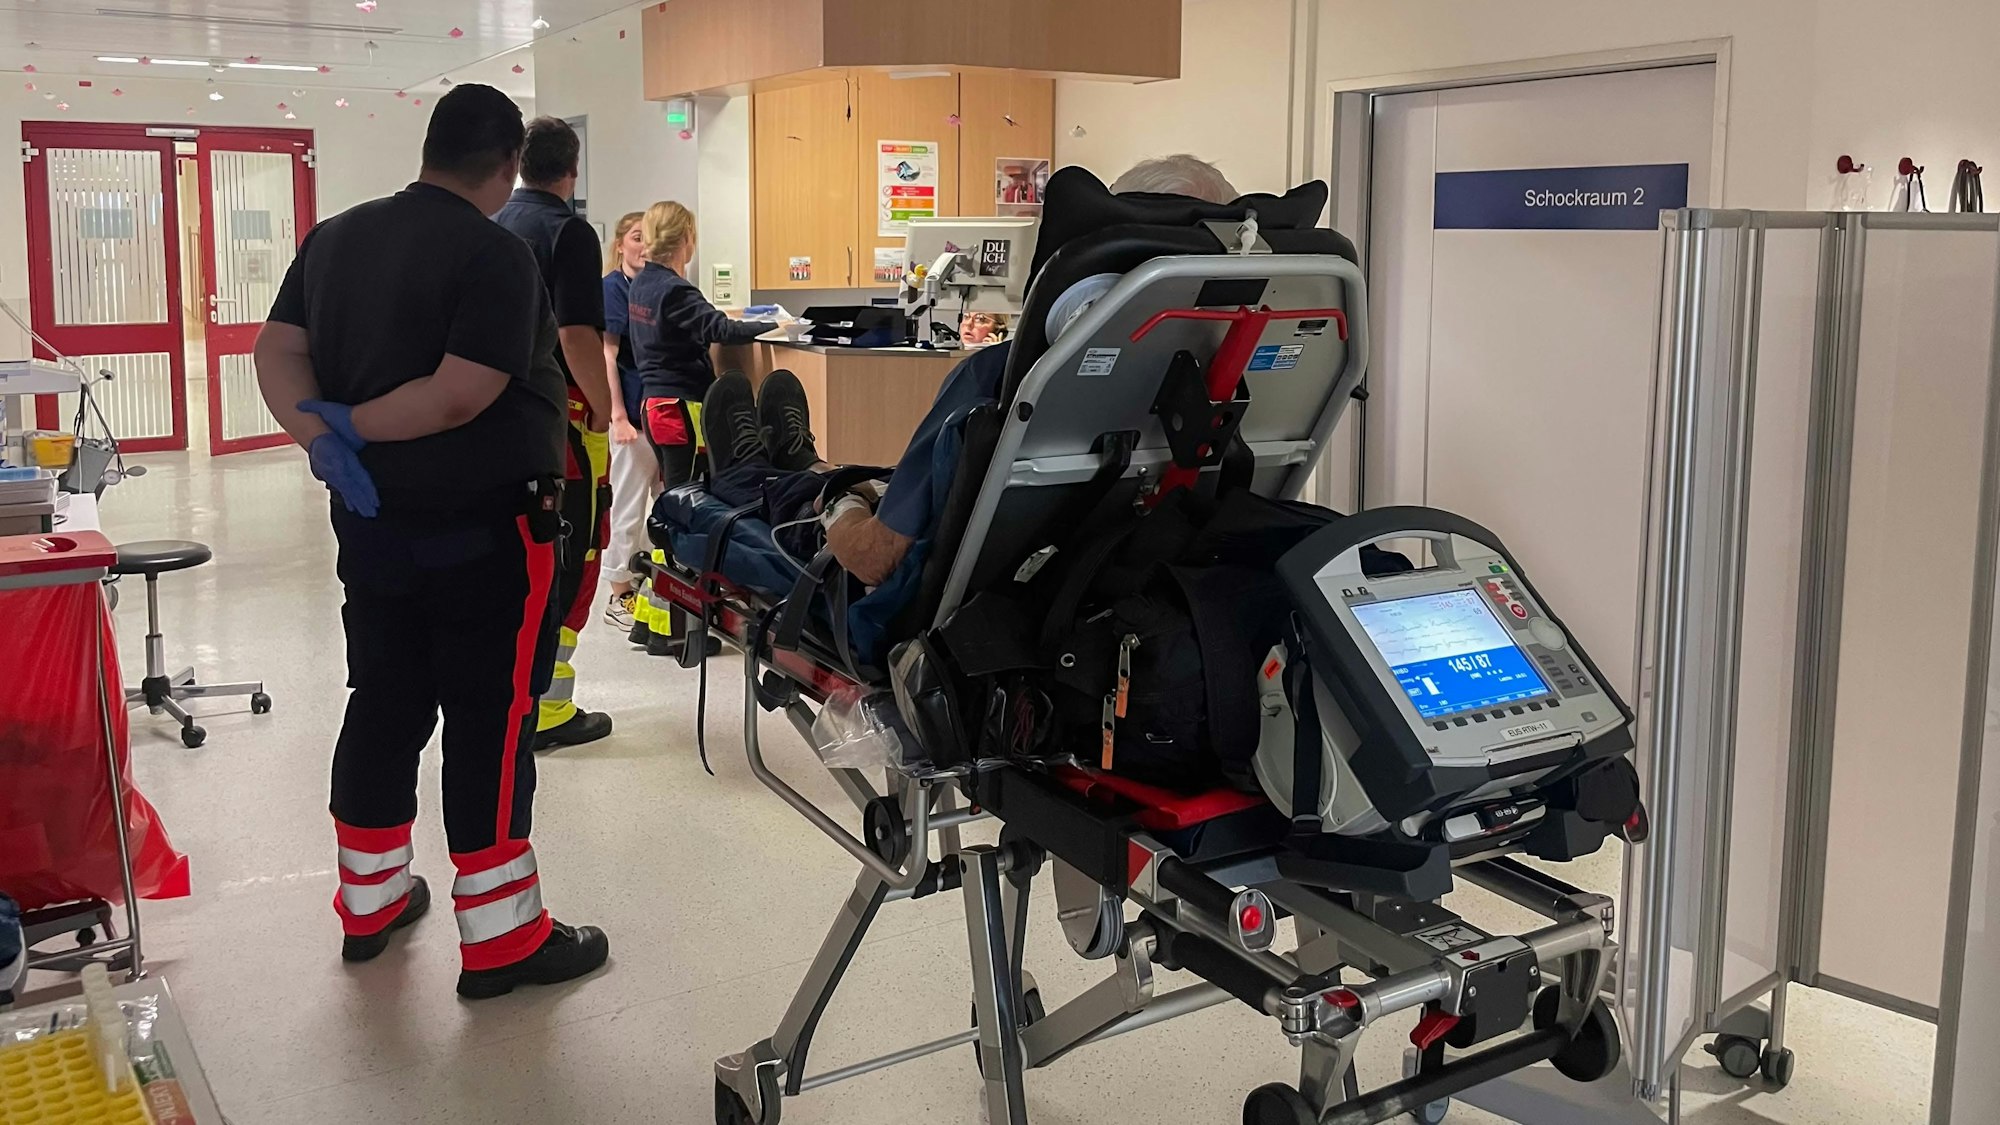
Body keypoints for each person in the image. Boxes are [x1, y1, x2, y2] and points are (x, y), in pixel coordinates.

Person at [252, 83, 608, 998]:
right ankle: (502, 941)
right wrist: (355, 425)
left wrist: (321, 435)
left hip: (373, 525)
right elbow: (461, 392)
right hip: (489, 529)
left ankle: (369, 903)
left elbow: (276, 351)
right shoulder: (492, 254)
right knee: (490, 721)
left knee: (383, 697)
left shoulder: (335, 237)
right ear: (502, 168)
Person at [493, 117, 616, 753]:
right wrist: (602, 406)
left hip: (493, 415)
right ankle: (548, 707)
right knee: (578, 550)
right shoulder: (568, 231)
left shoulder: (494, 222)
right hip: (560, 414)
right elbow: (576, 335)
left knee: (517, 554)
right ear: (572, 171)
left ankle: (513, 694)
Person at [624, 200, 778, 653]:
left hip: (655, 403)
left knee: (669, 505)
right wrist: (776, 323)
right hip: (682, 407)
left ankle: (653, 622)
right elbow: (720, 330)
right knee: (687, 512)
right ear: (686, 239)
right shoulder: (674, 289)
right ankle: (678, 628)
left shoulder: (642, 285)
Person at [598, 211, 656, 632]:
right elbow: (609, 356)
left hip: (660, 416)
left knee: (665, 508)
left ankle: (656, 591)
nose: (643, 246)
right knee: (628, 508)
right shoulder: (612, 290)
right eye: (637, 237)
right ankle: (619, 594)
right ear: (620, 244)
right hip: (632, 417)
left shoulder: (653, 289)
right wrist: (617, 415)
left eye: (650, 238)